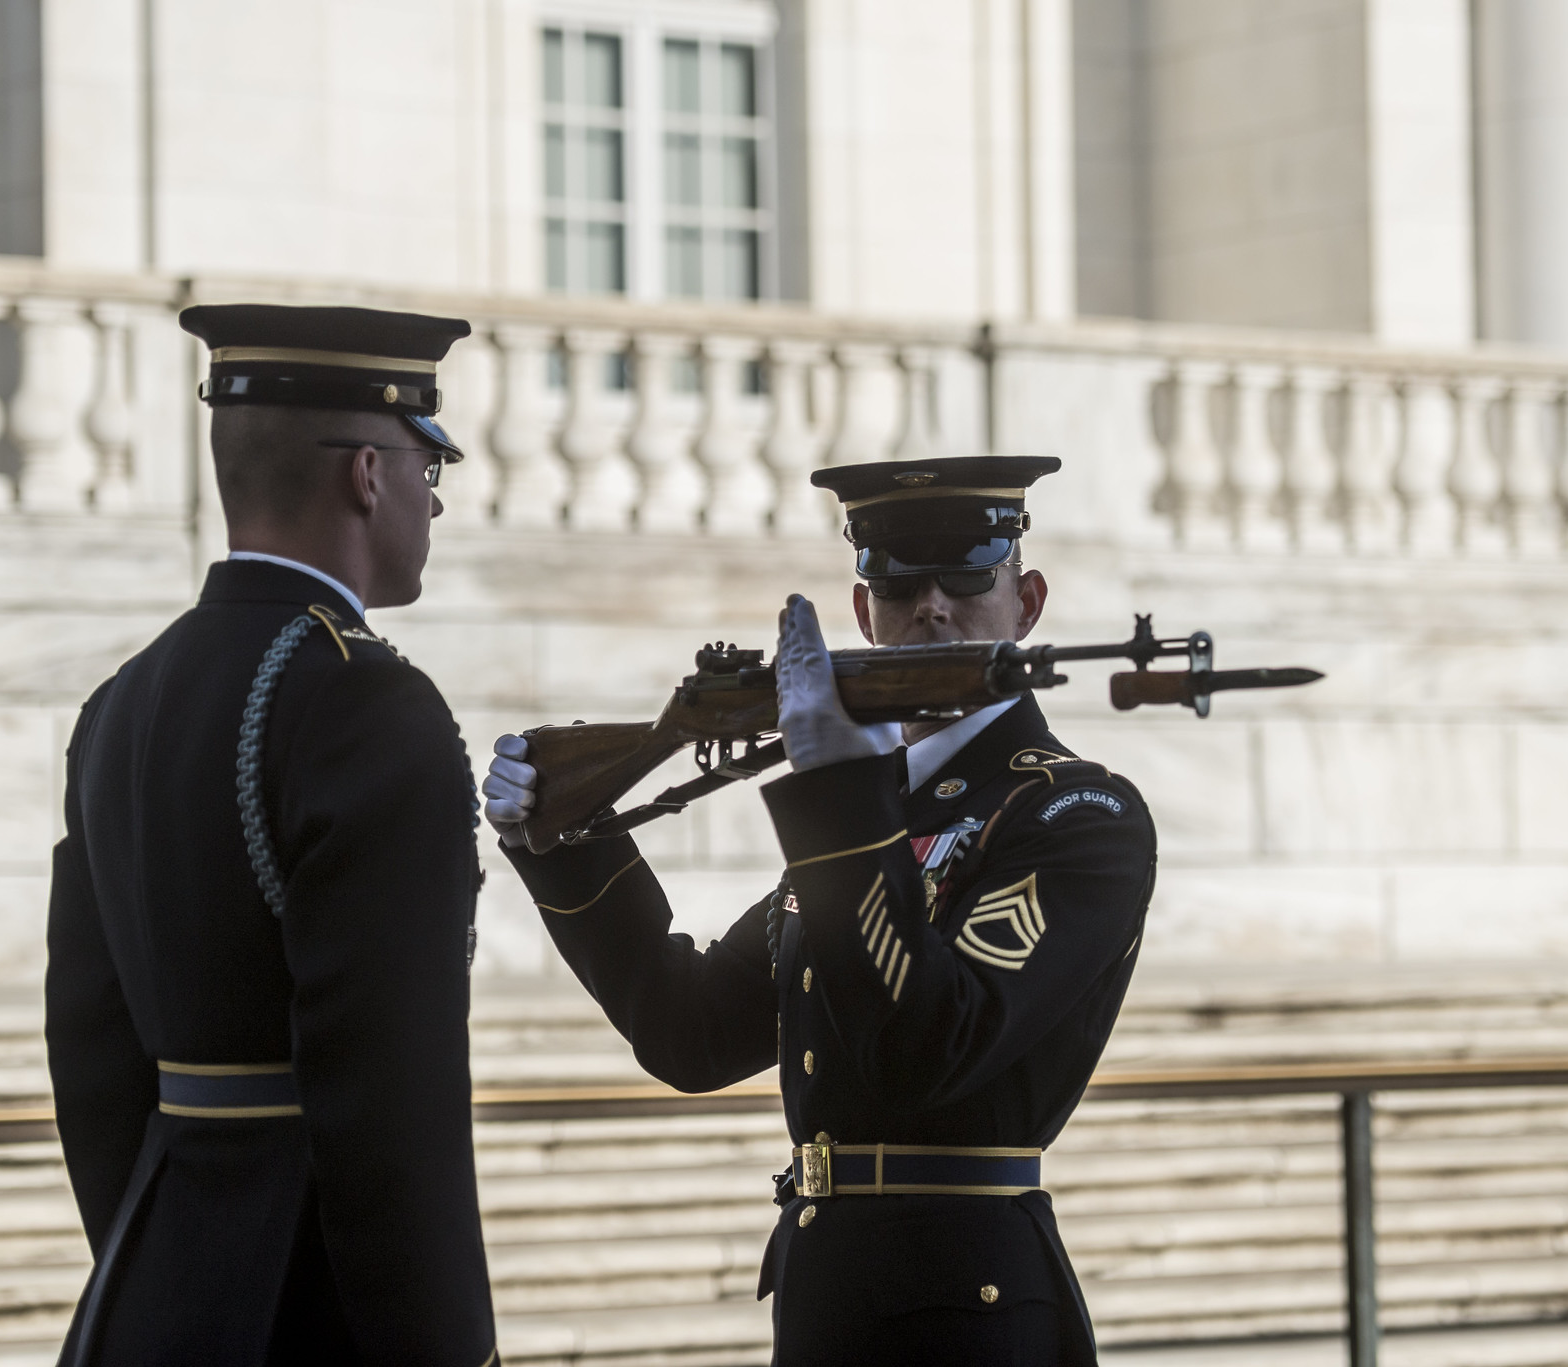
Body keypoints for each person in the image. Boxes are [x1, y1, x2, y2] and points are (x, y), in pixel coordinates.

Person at [482, 456, 1156, 1366]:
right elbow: (688, 1031)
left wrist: (842, 793)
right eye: (898, 581)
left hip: (969, 1313)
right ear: (861, 609)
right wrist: (566, 842)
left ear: (1027, 602)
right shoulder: (871, 816)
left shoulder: (1074, 815)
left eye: (967, 575)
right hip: (827, 1299)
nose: (932, 607)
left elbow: (929, 1046)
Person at [47, 304, 497, 1367]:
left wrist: (157, 1246)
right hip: (314, 1302)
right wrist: (446, 1346)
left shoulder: (124, 697)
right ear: (369, 475)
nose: (434, 498)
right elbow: (393, 1087)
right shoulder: (366, 704)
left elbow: (92, 1042)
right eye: (427, 465)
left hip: (150, 1293)